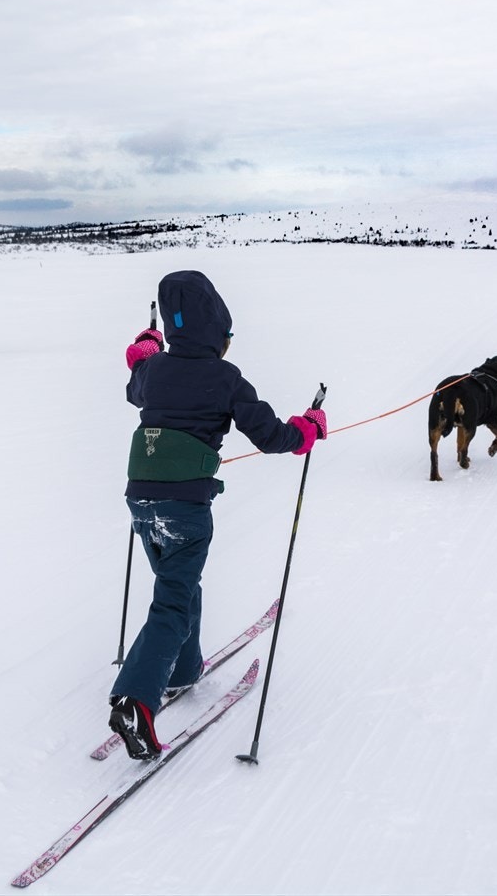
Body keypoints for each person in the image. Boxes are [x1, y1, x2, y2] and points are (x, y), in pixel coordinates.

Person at [108, 270, 327, 760]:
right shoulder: (225, 378)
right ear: (218, 333)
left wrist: (145, 350)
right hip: (185, 508)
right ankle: (135, 699)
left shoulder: (154, 370)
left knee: (179, 586)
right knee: (172, 601)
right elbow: (272, 436)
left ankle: (183, 670)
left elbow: (135, 385)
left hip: (141, 500)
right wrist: (308, 429)